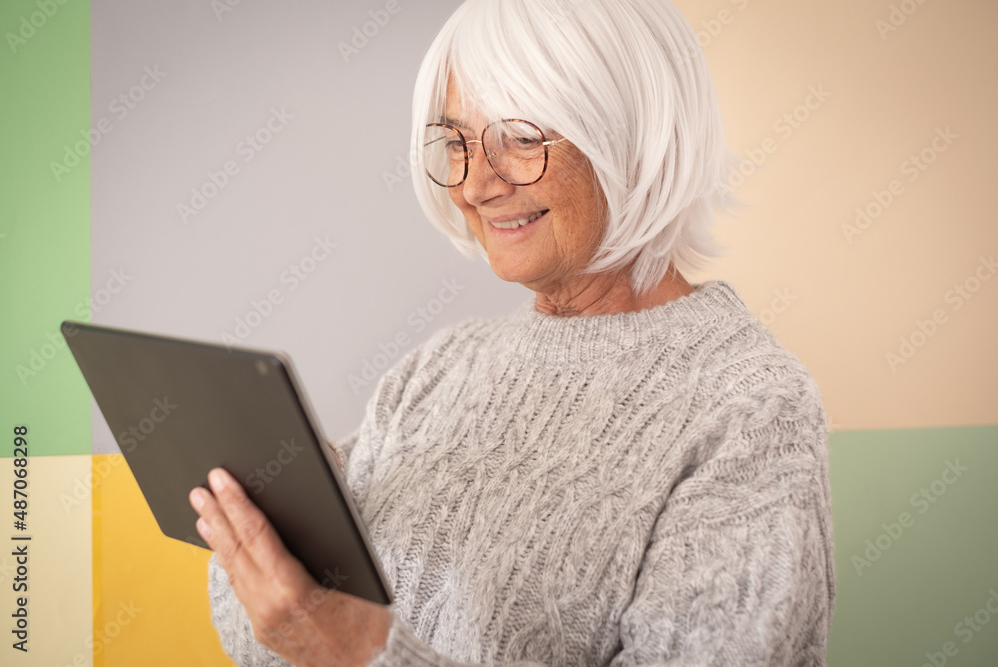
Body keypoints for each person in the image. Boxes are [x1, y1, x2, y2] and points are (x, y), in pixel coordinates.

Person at [189, 0, 836, 665]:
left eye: (520, 136)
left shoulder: (750, 407)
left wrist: (358, 652)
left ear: (635, 135)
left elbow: (335, 646)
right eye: (457, 143)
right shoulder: (437, 369)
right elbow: (274, 642)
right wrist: (278, 537)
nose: (474, 184)